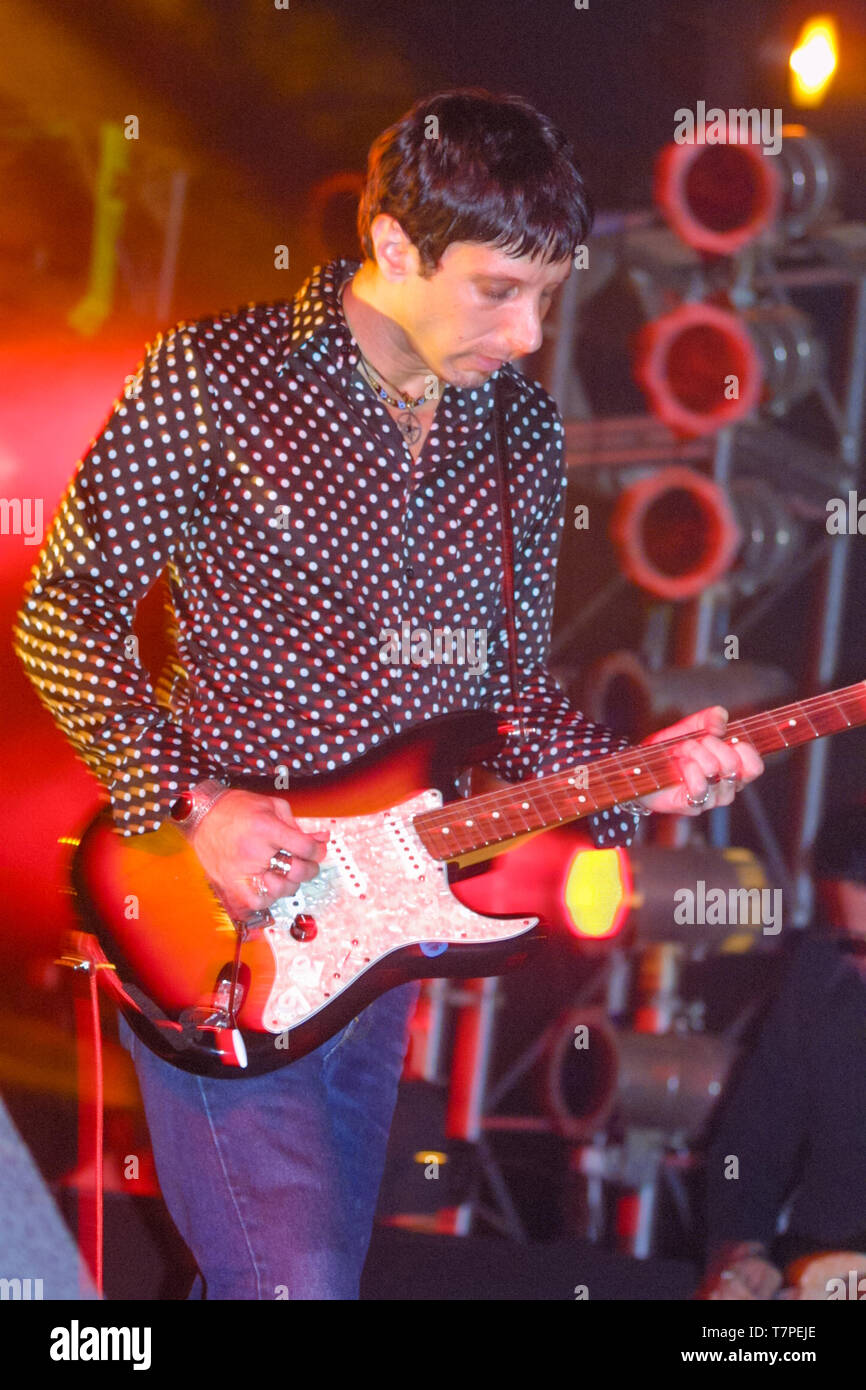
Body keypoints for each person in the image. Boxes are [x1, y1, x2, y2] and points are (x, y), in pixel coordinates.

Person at [13, 88, 763, 1300]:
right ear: (395, 248)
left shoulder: (517, 427)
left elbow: (507, 691)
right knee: (292, 1283)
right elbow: (66, 607)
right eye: (497, 292)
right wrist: (188, 804)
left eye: (547, 295)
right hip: (209, 921)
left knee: (296, 1285)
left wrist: (644, 768)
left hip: (380, 942)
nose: (528, 336)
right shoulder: (221, 373)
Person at [700, 801, 866, 1301]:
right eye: (858, 944)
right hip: (820, 1262)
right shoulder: (820, 977)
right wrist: (742, 1255)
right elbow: (754, 1136)